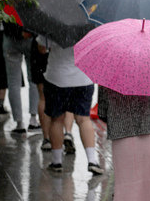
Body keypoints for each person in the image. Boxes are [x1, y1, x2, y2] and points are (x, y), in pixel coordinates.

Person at [37, 36, 103, 175]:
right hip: (83, 77)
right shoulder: (88, 22)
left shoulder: (51, 22)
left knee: (57, 120)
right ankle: (92, 161)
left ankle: (57, 162)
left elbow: (42, 49)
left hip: (57, 78)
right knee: (83, 119)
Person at [98, 86, 150, 201]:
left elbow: (102, 113)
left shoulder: (107, 80)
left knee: (126, 182)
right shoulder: (147, 71)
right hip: (147, 133)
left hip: (120, 136)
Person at [2, 21, 39, 133]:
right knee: (33, 79)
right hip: (30, 38)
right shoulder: (32, 3)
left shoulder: (8, 3)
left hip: (10, 38)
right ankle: (33, 119)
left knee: (13, 82)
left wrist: (16, 31)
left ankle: (19, 123)